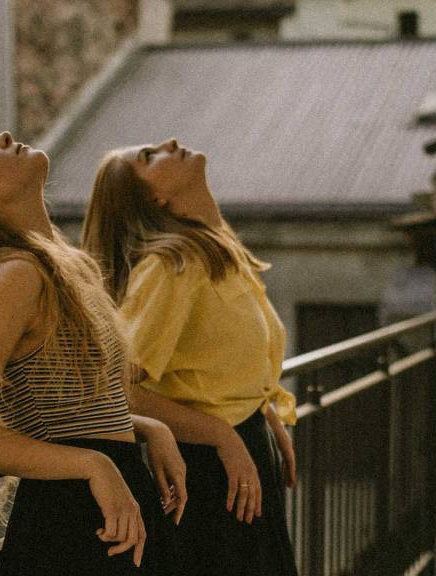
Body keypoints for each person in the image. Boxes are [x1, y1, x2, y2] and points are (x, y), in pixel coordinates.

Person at [0, 132, 185, 576]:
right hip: (74, 522)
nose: (3, 137)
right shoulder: (14, 276)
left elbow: (71, 411)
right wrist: (94, 463)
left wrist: (148, 428)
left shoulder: (52, 267)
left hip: (103, 506)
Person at [82, 138, 299, 576]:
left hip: (241, 453)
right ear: (154, 199)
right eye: (149, 157)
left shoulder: (215, 251)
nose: (170, 143)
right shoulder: (172, 266)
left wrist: (263, 413)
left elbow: (219, 363)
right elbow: (117, 390)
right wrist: (223, 436)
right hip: (207, 468)